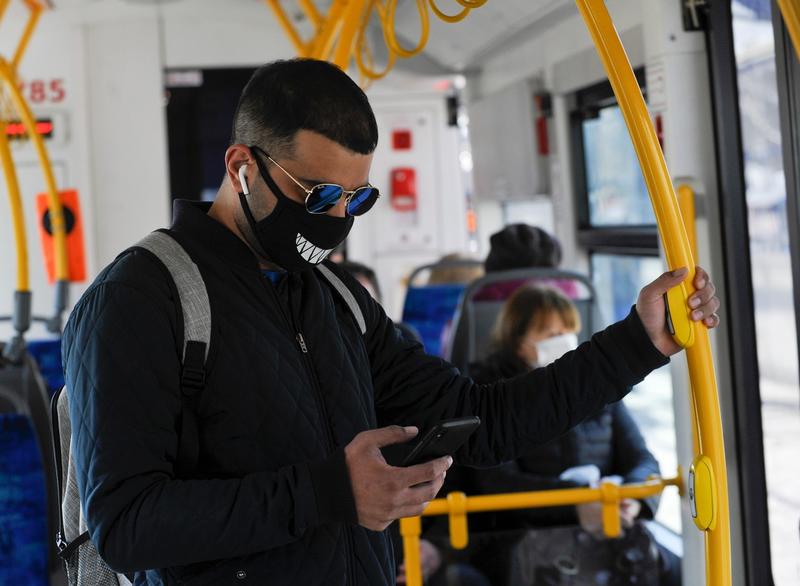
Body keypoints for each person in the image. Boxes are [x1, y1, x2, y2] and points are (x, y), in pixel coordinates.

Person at [61, 59, 720, 586]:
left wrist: (638, 342)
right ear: (243, 168)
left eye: (356, 198)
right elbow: (127, 523)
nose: (337, 219)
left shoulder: (335, 297)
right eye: (319, 195)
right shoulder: (141, 300)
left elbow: (482, 419)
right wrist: (329, 492)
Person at [467, 285, 680, 585]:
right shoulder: (493, 397)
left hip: (606, 520)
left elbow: (642, 459)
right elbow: (497, 483)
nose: (563, 341)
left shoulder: (597, 390)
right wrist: (576, 505)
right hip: (527, 532)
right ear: (517, 344)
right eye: (550, 334)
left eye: (568, 331)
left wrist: (634, 499)